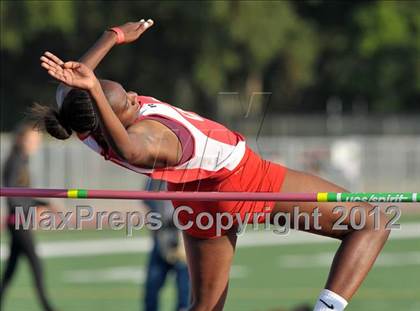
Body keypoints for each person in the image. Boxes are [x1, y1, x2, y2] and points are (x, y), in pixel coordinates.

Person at [34, 19, 390, 311]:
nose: (134, 96)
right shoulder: (150, 137)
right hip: (241, 181)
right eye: (126, 100)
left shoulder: (83, 123)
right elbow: (130, 152)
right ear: (110, 115)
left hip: (192, 199)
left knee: (204, 308)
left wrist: (112, 37)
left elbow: (72, 87)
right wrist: (97, 89)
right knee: (370, 223)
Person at [0, 122, 57, 311]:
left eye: (37, 139)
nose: (36, 143)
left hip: (19, 220)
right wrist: (32, 212)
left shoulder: (22, 160)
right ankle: (48, 308)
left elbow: (24, 195)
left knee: (10, 269)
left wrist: (45, 204)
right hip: (18, 222)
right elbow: (12, 197)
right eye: (32, 139)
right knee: (36, 264)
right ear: (21, 140)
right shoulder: (15, 161)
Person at [143, 178, 190, 311]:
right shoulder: (155, 176)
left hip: (182, 239)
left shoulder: (186, 173)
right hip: (161, 239)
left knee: (184, 293)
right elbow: (148, 201)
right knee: (151, 291)